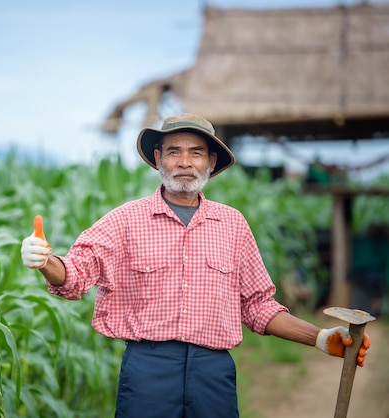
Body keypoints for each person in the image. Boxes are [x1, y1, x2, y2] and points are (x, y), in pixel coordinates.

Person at [20, 113, 371, 418]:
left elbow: (258, 306)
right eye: (174, 151)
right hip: (148, 371)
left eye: (196, 152)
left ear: (211, 162)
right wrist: (46, 261)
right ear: (158, 159)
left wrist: (321, 338)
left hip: (213, 372)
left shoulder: (232, 225)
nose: (185, 162)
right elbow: (76, 274)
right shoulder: (124, 221)